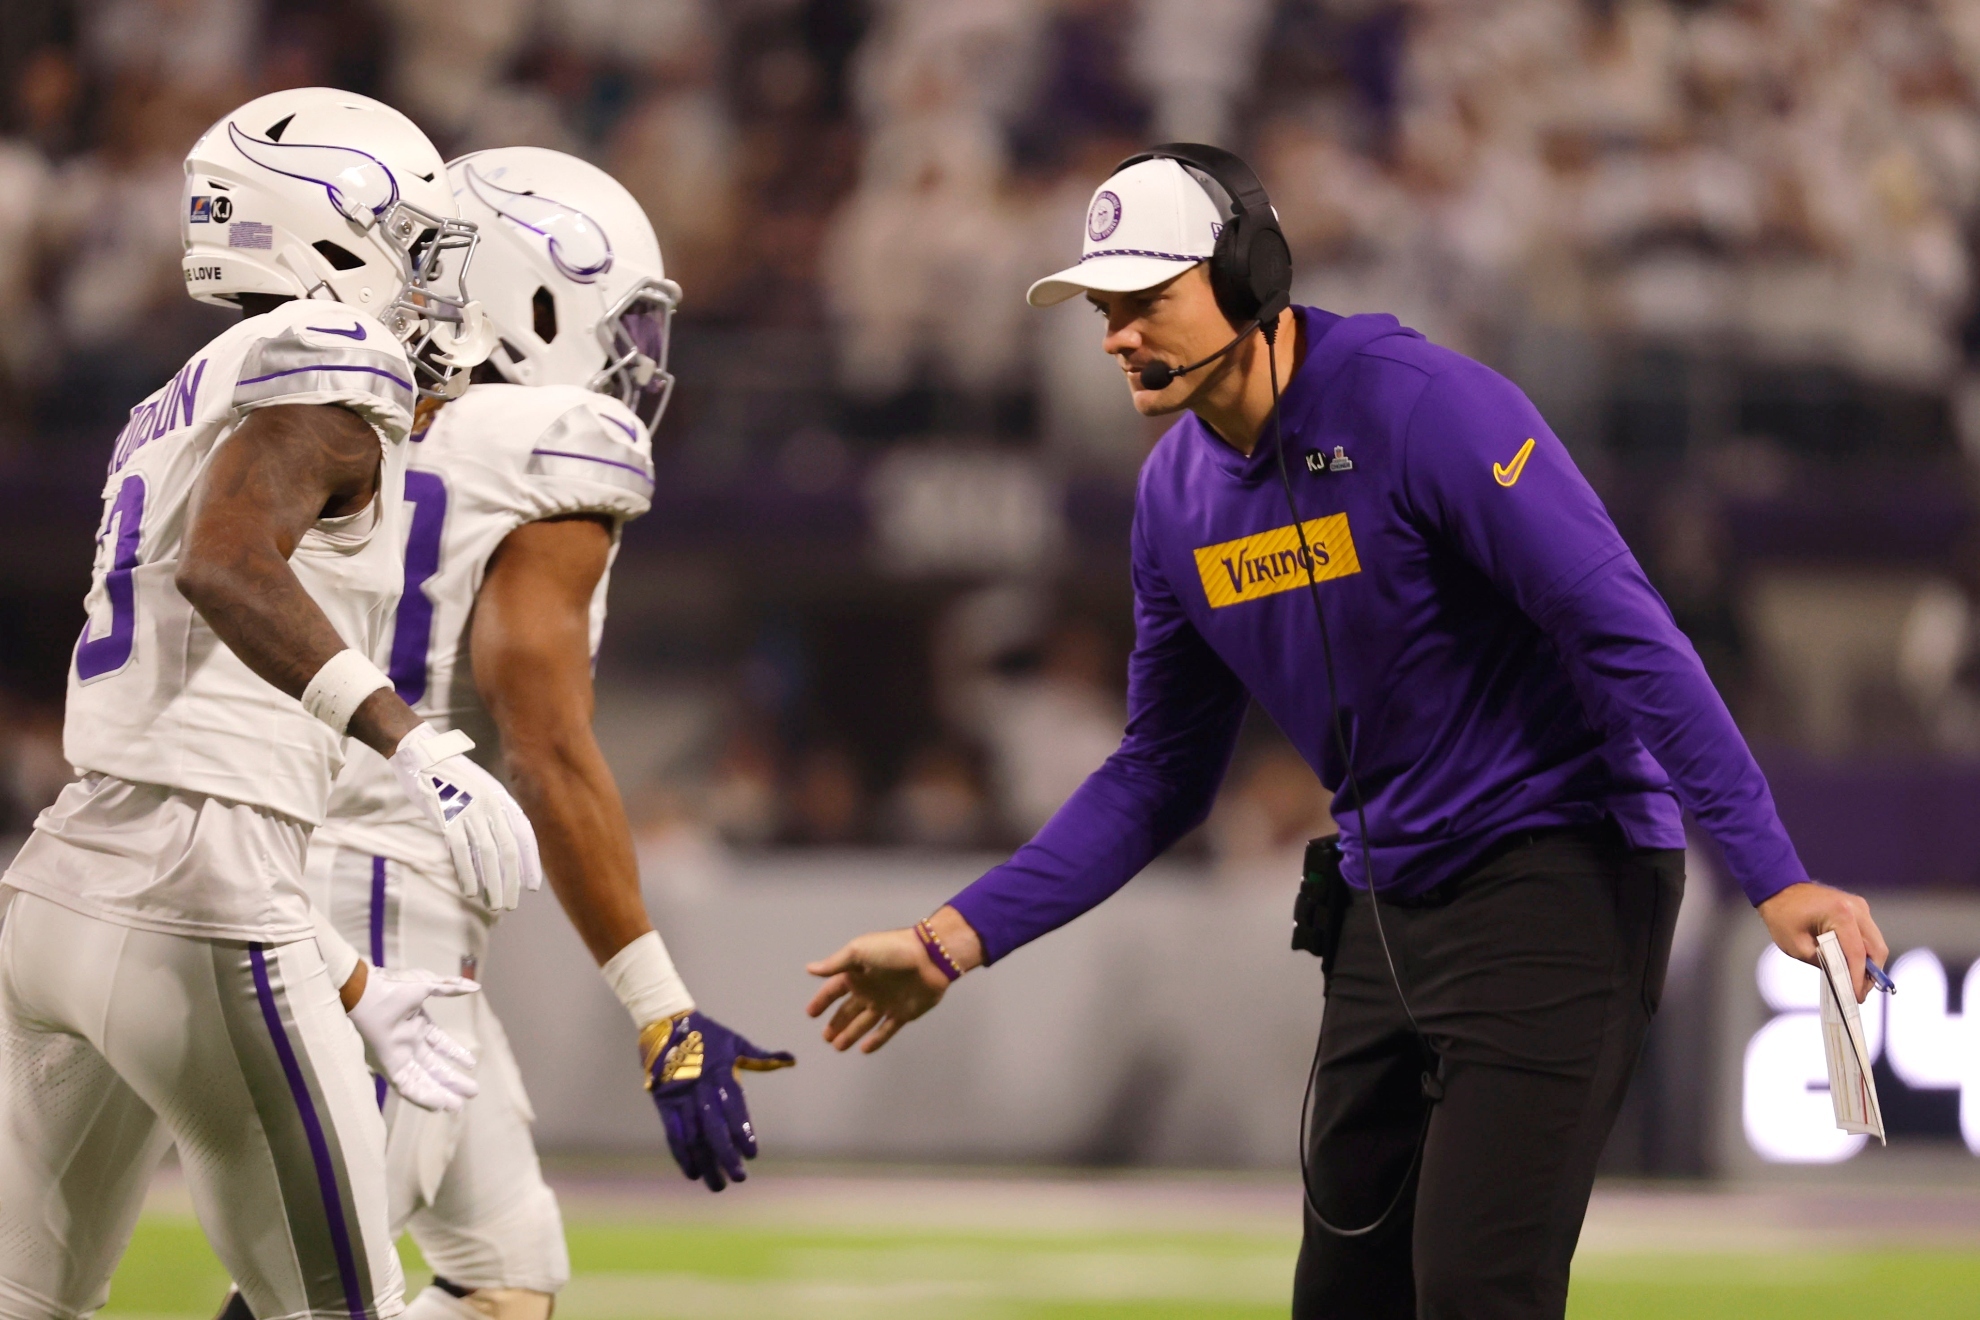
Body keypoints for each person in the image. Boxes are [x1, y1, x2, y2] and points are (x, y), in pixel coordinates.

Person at [803, 145, 1889, 1320]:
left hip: (1558, 878)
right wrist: (954, 937)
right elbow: (1160, 775)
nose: (1116, 334)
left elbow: (1625, 636)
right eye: (1103, 308)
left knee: (1478, 1290)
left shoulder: (1428, 409)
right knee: (1343, 1301)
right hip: (1382, 912)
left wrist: (1775, 874)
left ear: (1249, 272)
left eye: (1146, 300)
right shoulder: (1174, 498)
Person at [213, 145, 794, 1320]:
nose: (637, 357)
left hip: (302, 866)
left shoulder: (345, 403)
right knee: (321, 1298)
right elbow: (541, 738)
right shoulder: (554, 438)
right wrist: (660, 1004)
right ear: (530, 292)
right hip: (380, 895)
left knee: (503, 1280)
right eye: (623, 318)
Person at [0, 88, 544, 1320]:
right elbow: (226, 562)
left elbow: (188, 738)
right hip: (201, 892)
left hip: (65, 882)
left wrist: (343, 974)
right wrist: (417, 747)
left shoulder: (179, 392)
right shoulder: (332, 354)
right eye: (412, 239)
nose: (431, 279)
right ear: (331, 230)